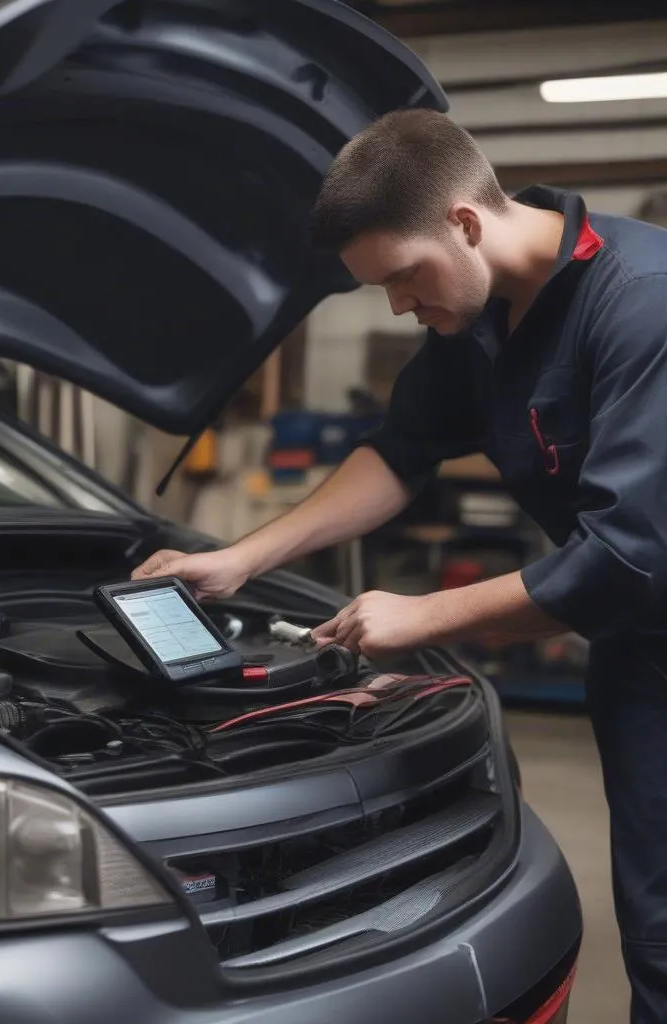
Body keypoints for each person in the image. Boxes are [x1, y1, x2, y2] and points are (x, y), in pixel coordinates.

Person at [133, 108, 667, 1023]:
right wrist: (240, 558)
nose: (396, 306)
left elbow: (629, 557)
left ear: (464, 221)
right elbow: (401, 450)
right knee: (655, 921)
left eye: (401, 277)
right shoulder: (482, 315)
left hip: (637, 602)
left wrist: (422, 616)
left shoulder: (643, 302)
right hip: (639, 655)